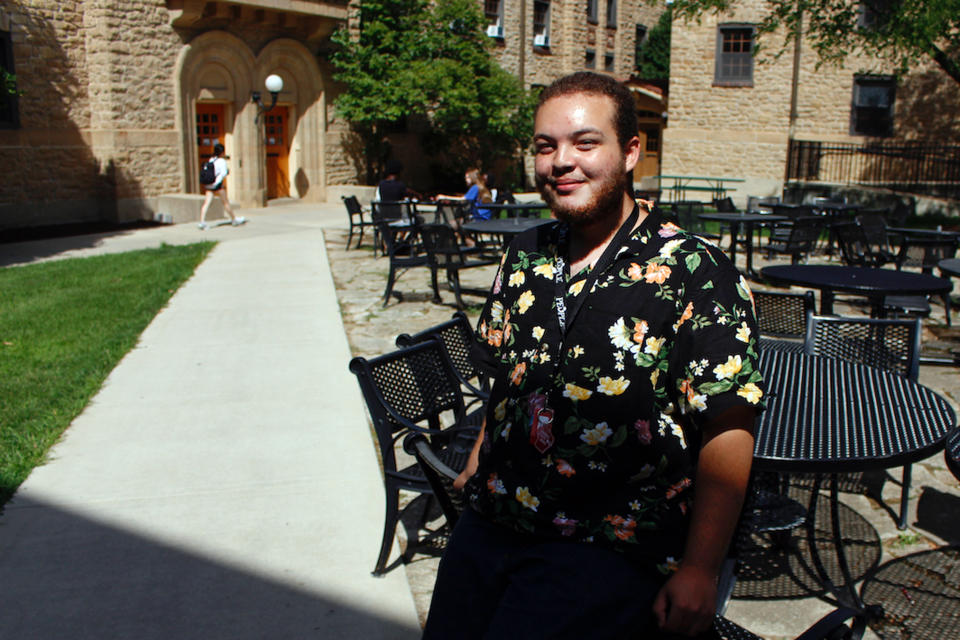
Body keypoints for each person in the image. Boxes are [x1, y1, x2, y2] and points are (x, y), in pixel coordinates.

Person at [422, 72, 764, 639]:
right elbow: (508, 374)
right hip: (494, 521)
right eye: (545, 146)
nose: (561, 161)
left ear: (630, 152)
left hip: (606, 541)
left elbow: (729, 422)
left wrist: (702, 568)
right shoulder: (525, 252)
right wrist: (478, 458)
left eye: (585, 143)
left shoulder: (694, 270)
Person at [198, 143, 245, 230]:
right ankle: (234, 220)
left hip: (209, 185)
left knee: (206, 203)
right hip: (217, 186)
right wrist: (225, 174)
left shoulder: (211, 159)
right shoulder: (222, 161)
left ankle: (202, 222)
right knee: (225, 203)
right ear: (222, 152)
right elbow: (223, 173)